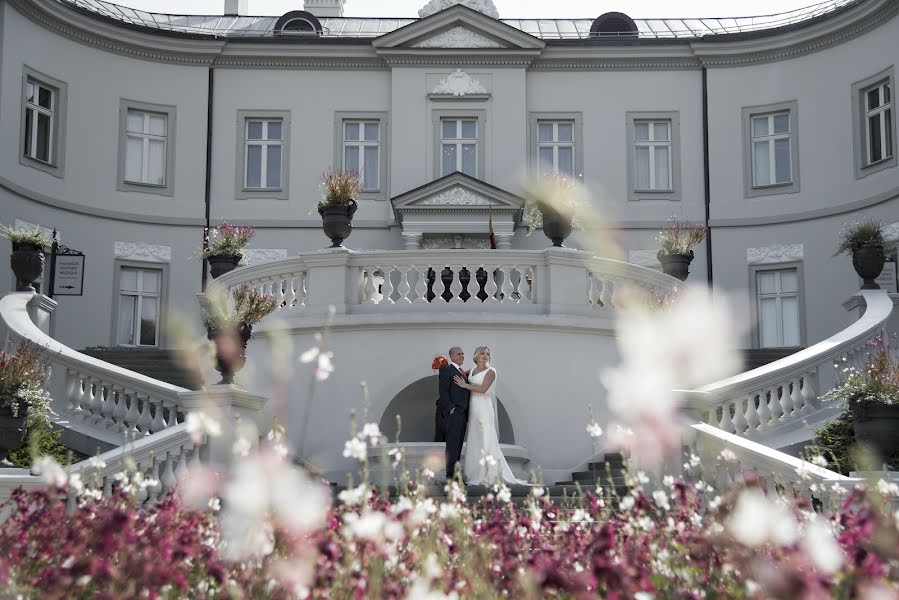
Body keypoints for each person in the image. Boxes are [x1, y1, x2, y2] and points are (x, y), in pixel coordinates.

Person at [453, 346, 526, 485]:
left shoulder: (491, 371)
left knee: (487, 439)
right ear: (476, 356)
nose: (485, 355)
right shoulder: (471, 371)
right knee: (475, 439)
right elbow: (458, 374)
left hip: (484, 408)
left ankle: (489, 474)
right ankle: (475, 473)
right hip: (474, 409)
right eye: (482, 353)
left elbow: (482, 389)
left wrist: (464, 385)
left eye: (487, 354)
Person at [438, 346, 469, 480]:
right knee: (452, 445)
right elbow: (443, 391)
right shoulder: (446, 370)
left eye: (463, 353)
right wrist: (451, 408)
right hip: (454, 412)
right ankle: (450, 474)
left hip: (463, 414)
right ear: (452, 356)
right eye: (459, 354)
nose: (462, 355)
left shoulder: (462, 372)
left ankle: (456, 473)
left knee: (458, 444)